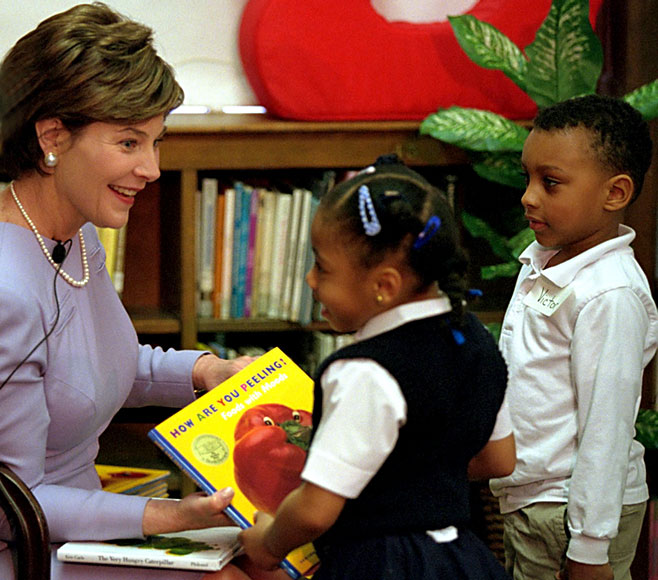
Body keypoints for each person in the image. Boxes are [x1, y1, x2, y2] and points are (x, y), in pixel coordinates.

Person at [0, 4, 287, 580]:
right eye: (130, 143)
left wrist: (206, 372)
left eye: (157, 142)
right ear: (52, 136)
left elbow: (94, 367)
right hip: (29, 550)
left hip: (81, 527)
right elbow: (13, 506)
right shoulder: (7, 291)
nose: (152, 168)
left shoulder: (76, 235)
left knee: (280, 559)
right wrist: (166, 515)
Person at [239, 156, 515, 579]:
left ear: (384, 286)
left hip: (382, 565)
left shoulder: (363, 371)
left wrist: (268, 543)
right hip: (461, 560)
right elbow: (499, 459)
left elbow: (314, 511)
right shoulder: (475, 340)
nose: (311, 281)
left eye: (323, 268)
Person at [489, 94, 658, 580]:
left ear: (615, 193)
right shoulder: (545, 259)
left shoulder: (610, 294)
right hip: (536, 499)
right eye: (527, 178)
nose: (529, 196)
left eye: (551, 183)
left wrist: (589, 546)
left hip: (572, 512)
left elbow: (606, 428)